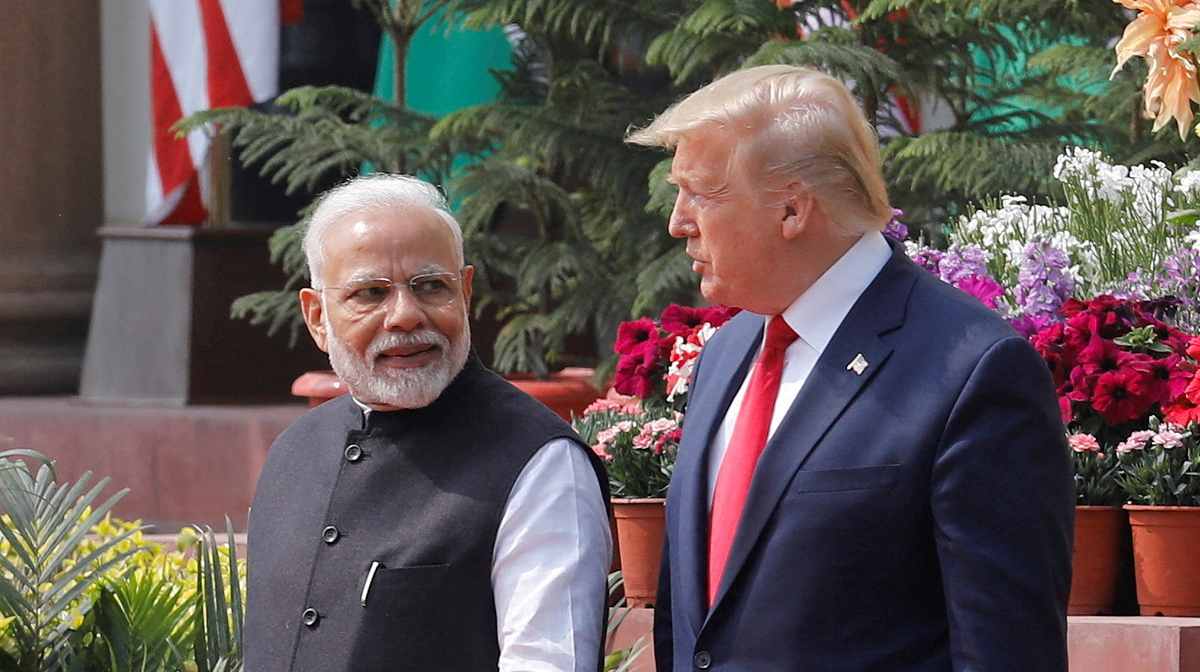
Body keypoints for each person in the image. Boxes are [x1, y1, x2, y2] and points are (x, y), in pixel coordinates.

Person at [626, 65, 1072, 671]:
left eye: (700, 192)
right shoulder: (726, 354)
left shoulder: (971, 370)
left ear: (791, 208)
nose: (678, 220)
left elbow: (1007, 652)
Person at [244, 174, 612, 672]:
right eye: (370, 293)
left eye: (430, 287)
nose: (404, 315)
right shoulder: (294, 453)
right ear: (316, 317)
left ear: (465, 292)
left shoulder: (538, 463)